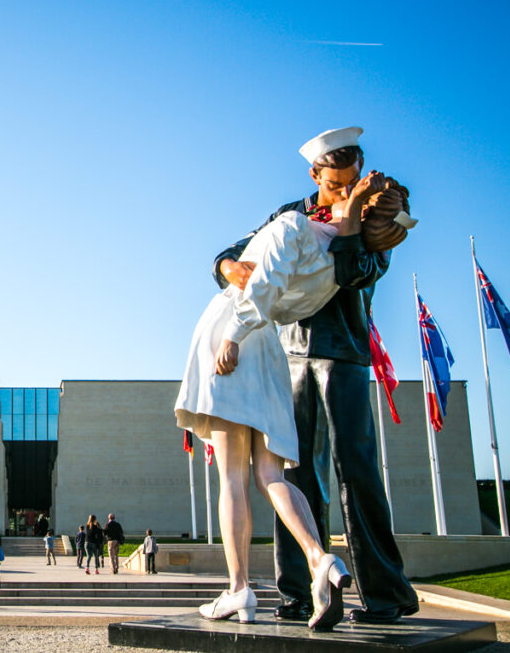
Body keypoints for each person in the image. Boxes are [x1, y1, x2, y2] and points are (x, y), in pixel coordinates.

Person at [176, 158, 411, 628]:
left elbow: (354, 273)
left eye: (349, 183)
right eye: (333, 183)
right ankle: (299, 590)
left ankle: (383, 594)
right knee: (293, 471)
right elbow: (235, 252)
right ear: (316, 178)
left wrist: (354, 218)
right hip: (287, 352)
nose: (342, 189)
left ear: (360, 172)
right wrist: (229, 267)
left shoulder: (373, 227)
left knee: (355, 468)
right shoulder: (291, 214)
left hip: (340, 351)